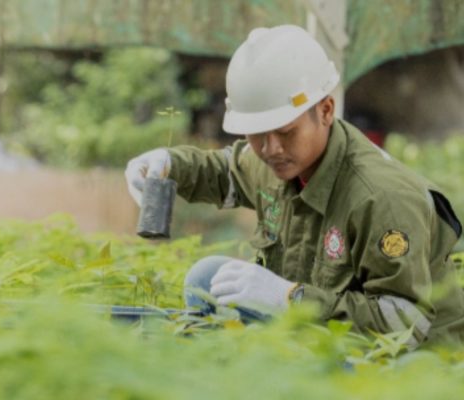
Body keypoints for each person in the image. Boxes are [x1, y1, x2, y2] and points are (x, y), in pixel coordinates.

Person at [125, 25, 464, 347]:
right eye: (256, 134)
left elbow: (406, 321)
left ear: (326, 110)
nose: (270, 148)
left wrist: (290, 299)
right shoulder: (279, 161)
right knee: (207, 279)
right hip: (320, 330)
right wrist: (168, 164)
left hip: (412, 360)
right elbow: (226, 171)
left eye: (285, 132)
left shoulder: (381, 197)